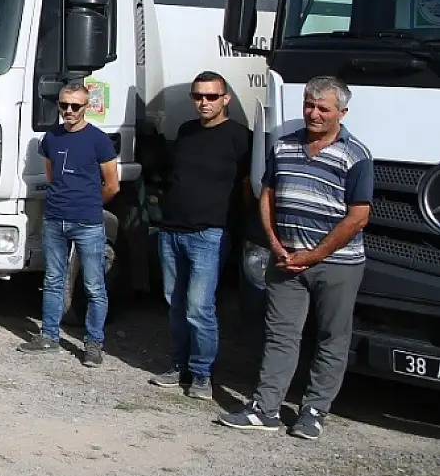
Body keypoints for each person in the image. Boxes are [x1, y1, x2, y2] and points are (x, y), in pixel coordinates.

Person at [218, 76, 372, 441]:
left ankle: (314, 412)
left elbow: (359, 216)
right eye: (308, 105)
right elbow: (267, 195)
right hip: (286, 261)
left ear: (342, 112)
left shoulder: (357, 156)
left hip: (337, 265)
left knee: (332, 337)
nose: (313, 113)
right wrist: (274, 242)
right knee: (280, 335)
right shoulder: (284, 147)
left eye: (323, 108)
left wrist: (315, 255)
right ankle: (265, 408)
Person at [149, 72, 253, 398]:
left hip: (209, 235)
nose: (204, 103)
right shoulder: (186, 131)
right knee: (174, 303)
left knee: (199, 307)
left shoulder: (241, 137)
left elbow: (249, 188)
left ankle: (202, 374)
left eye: (211, 96)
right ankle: (179, 364)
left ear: (226, 99)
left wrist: (240, 227)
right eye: (198, 96)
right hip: (172, 232)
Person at [19, 80, 119, 367]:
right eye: (64, 105)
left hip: (87, 222)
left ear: (87, 107)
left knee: (93, 284)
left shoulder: (99, 140)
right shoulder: (51, 138)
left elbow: (112, 185)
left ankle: (93, 344)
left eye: (76, 106)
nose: (69, 111)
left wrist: (90, 204)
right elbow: (52, 175)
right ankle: (49, 336)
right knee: (52, 279)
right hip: (55, 219)